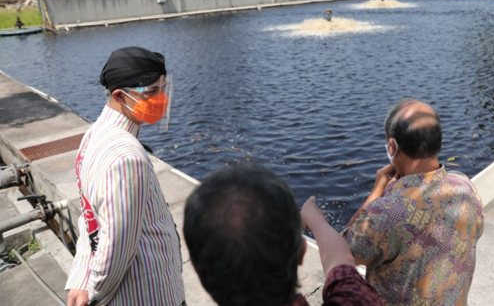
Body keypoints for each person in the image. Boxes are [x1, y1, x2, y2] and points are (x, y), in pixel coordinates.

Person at [65, 46, 184, 306]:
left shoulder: (92, 135)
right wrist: (97, 294)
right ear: (120, 96)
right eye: (152, 92)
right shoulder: (126, 157)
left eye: (163, 88)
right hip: (147, 293)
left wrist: (81, 279)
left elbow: (89, 217)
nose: (162, 97)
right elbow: (115, 249)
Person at [344, 99, 484, 305]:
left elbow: (344, 252)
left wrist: (377, 191)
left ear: (392, 146)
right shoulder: (466, 188)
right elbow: (476, 232)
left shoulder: (388, 211)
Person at [183, 162, 383, 306]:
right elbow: (340, 259)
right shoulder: (355, 299)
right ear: (302, 252)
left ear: (197, 270)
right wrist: (314, 219)